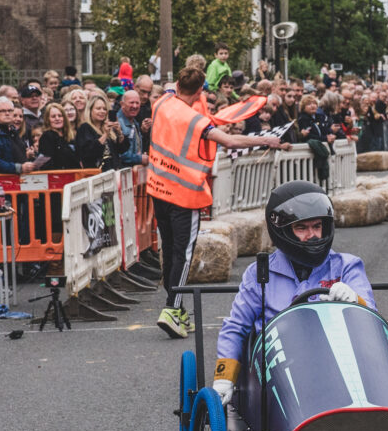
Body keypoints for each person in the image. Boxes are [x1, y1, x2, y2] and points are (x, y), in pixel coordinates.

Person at [148, 67, 291, 338]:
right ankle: (171, 307)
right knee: (183, 253)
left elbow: (169, 84)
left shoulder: (162, 102)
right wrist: (266, 140)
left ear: (178, 84)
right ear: (201, 91)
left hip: (158, 189)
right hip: (185, 194)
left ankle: (175, 308)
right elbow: (230, 140)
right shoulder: (196, 122)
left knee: (169, 250)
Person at [211, 180, 375, 406]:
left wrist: (355, 301)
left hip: (338, 362)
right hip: (278, 371)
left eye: (317, 226)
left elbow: (372, 319)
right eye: (302, 228)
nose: (313, 235)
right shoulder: (260, 273)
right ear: (284, 231)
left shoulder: (346, 266)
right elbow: (236, 326)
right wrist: (224, 377)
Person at [0, 97, 35, 175]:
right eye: (2, 111)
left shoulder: (12, 131)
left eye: (10, 110)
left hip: (14, 180)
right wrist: (19, 168)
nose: (7, 113)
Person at [76, 96, 128, 171]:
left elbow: (122, 150)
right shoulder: (85, 128)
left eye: (104, 109)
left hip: (113, 171)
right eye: (98, 108)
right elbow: (88, 153)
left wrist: (119, 132)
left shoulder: (108, 127)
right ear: (90, 110)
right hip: (96, 173)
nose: (102, 111)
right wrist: (105, 135)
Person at [37, 102, 79, 170]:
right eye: (53, 116)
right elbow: (46, 163)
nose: (57, 119)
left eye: (60, 116)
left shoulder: (69, 136)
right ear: (48, 119)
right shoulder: (47, 137)